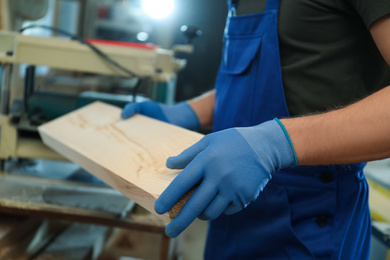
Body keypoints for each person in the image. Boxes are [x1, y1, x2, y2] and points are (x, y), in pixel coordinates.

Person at [121, 0, 390, 259]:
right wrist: (188, 112)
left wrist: (274, 144)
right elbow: (269, 78)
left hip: (310, 225)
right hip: (230, 212)